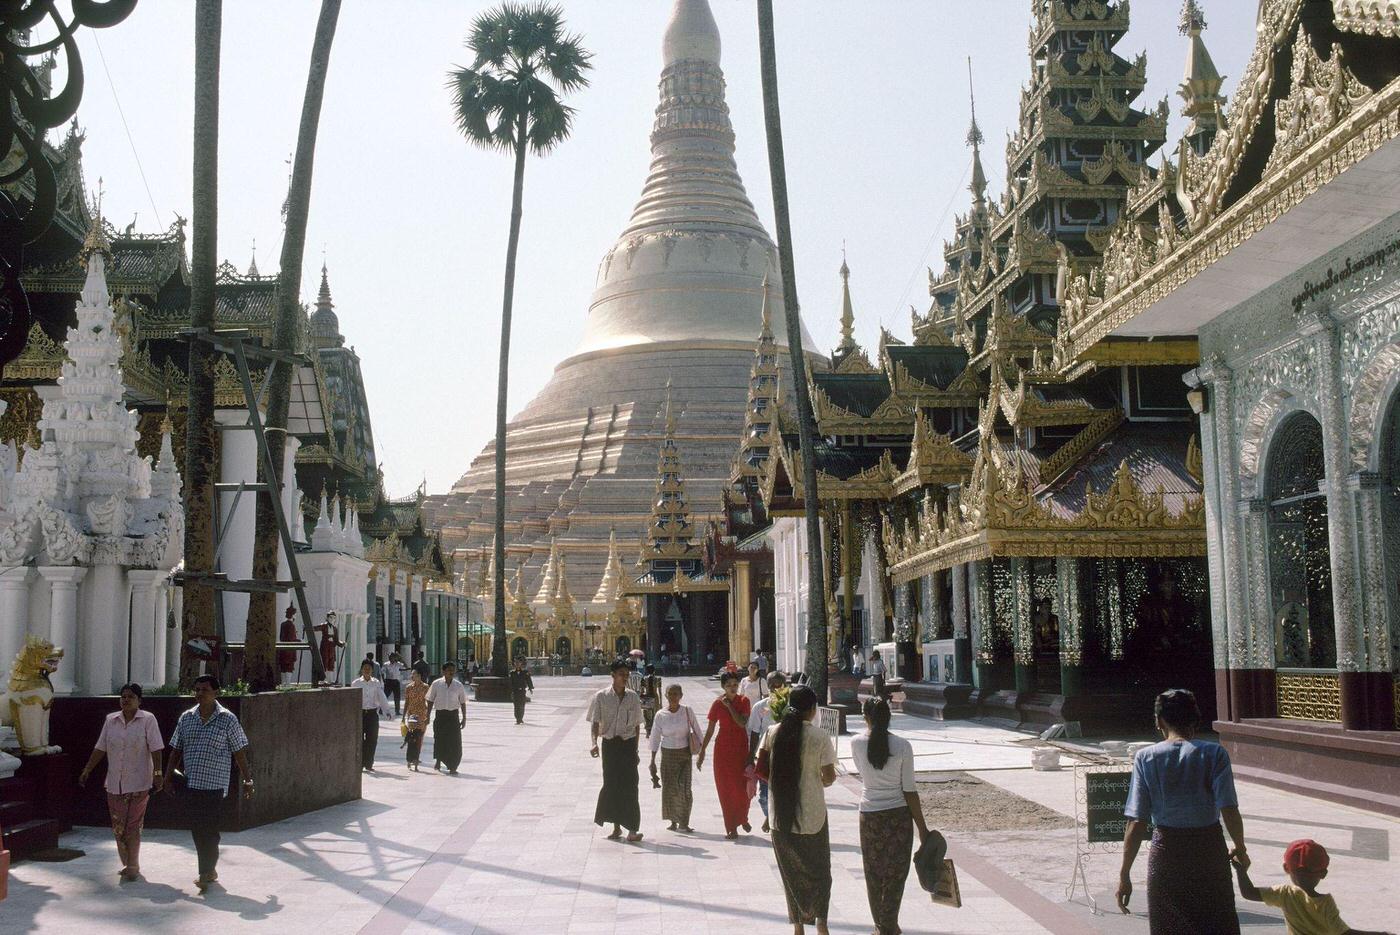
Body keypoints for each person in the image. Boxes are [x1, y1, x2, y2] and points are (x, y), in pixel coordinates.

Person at [1117, 688, 1246, 934]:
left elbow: (1137, 821)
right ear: (1194, 719)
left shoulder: (1145, 758)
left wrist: (1124, 874)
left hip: (1167, 854)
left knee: (1170, 926)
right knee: (1216, 924)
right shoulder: (1214, 754)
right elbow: (1229, 807)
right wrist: (1240, 847)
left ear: (1159, 721)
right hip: (1209, 853)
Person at [757, 684, 837, 935]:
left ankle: (798, 927)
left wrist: (782, 785)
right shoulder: (819, 736)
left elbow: (761, 769)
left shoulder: (773, 732)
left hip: (781, 816)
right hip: (813, 814)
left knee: (790, 873)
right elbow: (828, 776)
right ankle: (821, 923)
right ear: (813, 709)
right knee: (820, 871)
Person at [162, 675, 253, 892]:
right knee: (197, 827)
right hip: (192, 782)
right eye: (197, 689)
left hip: (215, 784)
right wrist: (166, 778)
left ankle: (206, 871)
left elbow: (239, 752)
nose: (199, 693)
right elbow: (176, 750)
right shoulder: (186, 718)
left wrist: (248, 779)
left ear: (216, 693)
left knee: (209, 828)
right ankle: (208, 868)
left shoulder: (227, 719)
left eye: (204, 689)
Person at [851, 697, 931, 935]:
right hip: (898, 817)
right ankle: (887, 927)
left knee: (873, 874)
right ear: (889, 717)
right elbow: (909, 791)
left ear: (865, 717)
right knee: (896, 875)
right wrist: (923, 829)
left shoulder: (856, 743)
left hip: (869, 815)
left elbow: (863, 775)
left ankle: (883, 926)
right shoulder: (903, 746)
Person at [78, 683, 164, 881]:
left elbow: (156, 747)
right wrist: (87, 770)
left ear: (139, 700)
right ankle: (127, 862)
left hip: (140, 782)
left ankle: (133, 864)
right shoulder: (111, 720)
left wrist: (158, 773)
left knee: (133, 824)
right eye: (123, 696)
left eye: (131, 696)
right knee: (119, 826)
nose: (126, 700)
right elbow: (101, 747)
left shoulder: (148, 720)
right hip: (115, 783)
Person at [1233, 838, 1391, 935]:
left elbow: (1248, 893)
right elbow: (1343, 933)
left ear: (1287, 869)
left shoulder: (1285, 894)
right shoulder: (1326, 904)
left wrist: (1241, 870)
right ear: (1323, 873)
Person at [587, 659, 644, 843]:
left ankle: (633, 829)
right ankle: (616, 827)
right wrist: (594, 743)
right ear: (612, 675)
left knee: (631, 785)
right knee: (611, 785)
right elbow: (595, 722)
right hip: (610, 745)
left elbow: (636, 726)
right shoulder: (601, 697)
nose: (625, 678)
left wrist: (635, 751)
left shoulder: (633, 697)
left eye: (627, 675)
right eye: (621, 674)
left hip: (627, 745)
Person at [697, 671, 753, 839]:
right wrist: (702, 750)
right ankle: (731, 826)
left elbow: (742, 722)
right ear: (723, 687)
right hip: (722, 750)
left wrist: (729, 706)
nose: (732, 688)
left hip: (741, 748)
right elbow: (710, 729)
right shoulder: (717, 703)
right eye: (728, 685)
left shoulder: (744, 701)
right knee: (726, 789)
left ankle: (743, 817)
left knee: (742, 787)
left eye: (735, 684)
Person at [648, 683, 701, 832]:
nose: (673, 697)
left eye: (676, 694)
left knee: (685, 789)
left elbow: (697, 730)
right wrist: (652, 761)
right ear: (666, 696)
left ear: (681, 696)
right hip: (668, 755)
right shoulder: (660, 715)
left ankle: (684, 821)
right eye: (670, 694)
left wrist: (701, 754)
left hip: (685, 754)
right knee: (670, 789)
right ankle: (672, 821)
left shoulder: (687, 711)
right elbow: (654, 738)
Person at [748, 670, 787, 833]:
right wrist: (750, 758)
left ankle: (778, 823)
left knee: (784, 793)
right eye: (772, 687)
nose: (776, 690)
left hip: (786, 756)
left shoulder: (791, 706)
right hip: (765, 756)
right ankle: (770, 817)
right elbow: (754, 733)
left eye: (779, 686)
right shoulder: (760, 707)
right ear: (767, 687)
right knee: (764, 796)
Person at [426, 661, 468, 773]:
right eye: (449, 670)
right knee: (440, 739)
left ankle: (453, 765)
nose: (451, 672)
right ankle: (439, 760)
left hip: (453, 716)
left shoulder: (458, 685)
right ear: (443, 671)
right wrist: (427, 716)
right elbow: (430, 700)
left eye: (453, 670)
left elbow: (463, 702)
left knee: (455, 741)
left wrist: (464, 718)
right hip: (440, 716)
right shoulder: (436, 684)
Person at [351, 660, 392, 771]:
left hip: (372, 715)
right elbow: (352, 700)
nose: (367, 670)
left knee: (372, 739)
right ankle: (360, 763)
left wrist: (386, 710)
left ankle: (369, 764)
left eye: (369, 667)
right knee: (360, 740)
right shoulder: (356, 683)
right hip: (360, 715)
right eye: (365, 667)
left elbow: (381, 697)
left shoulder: (376, 683)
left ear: (372, 670)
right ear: (361, 669)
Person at [402, 667, 430, 771]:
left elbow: (429, 701)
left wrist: (428, 716)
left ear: (419, 675)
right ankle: (410, 758)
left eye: (413, 674)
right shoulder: (409, 687)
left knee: (419, 738)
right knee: (411, 737)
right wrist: (403, 716)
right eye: (412, 674)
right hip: (412, 716)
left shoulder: (426, 687)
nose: (412, 676)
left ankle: (416, 758)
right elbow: (407, 702)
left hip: (422, 715)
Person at [637, 664, 663, 737]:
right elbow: (660, 692)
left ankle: (648, 731)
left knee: (647, 715)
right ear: (654, 670)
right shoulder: (658, 679)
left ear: (646, 670)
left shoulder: (644, 679)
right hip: (655, 697)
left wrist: (642, 696)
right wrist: (661, 702)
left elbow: (642, 691)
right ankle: (654, 731)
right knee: (655, 714)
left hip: (647, 697)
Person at [508, 656, 534, 724]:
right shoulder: (512, 673)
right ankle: (517, 719)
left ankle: (521, 718)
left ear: (521, 663)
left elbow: (529, 680)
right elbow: (510, 683)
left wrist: (530, 688)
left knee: (522, 705)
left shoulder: (525, 672)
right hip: (515, 691)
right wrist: (510, 691)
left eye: (518, 662)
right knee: (516, 706)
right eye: (515, 662)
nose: (517, 664)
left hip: (522, 691)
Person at [382, 653, 403, 717]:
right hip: (389, 681)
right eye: (390, 657)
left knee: (397, 697)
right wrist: (383, 680)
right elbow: (382, 672)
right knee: (385, 696)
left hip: (396, 681)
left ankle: (397, 711)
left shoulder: (398, 664)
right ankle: (381, 709)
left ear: (395, 658)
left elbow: (406, 666)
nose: (391, 659)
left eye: (393, 657)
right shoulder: (386, 664)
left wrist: (400, 657)